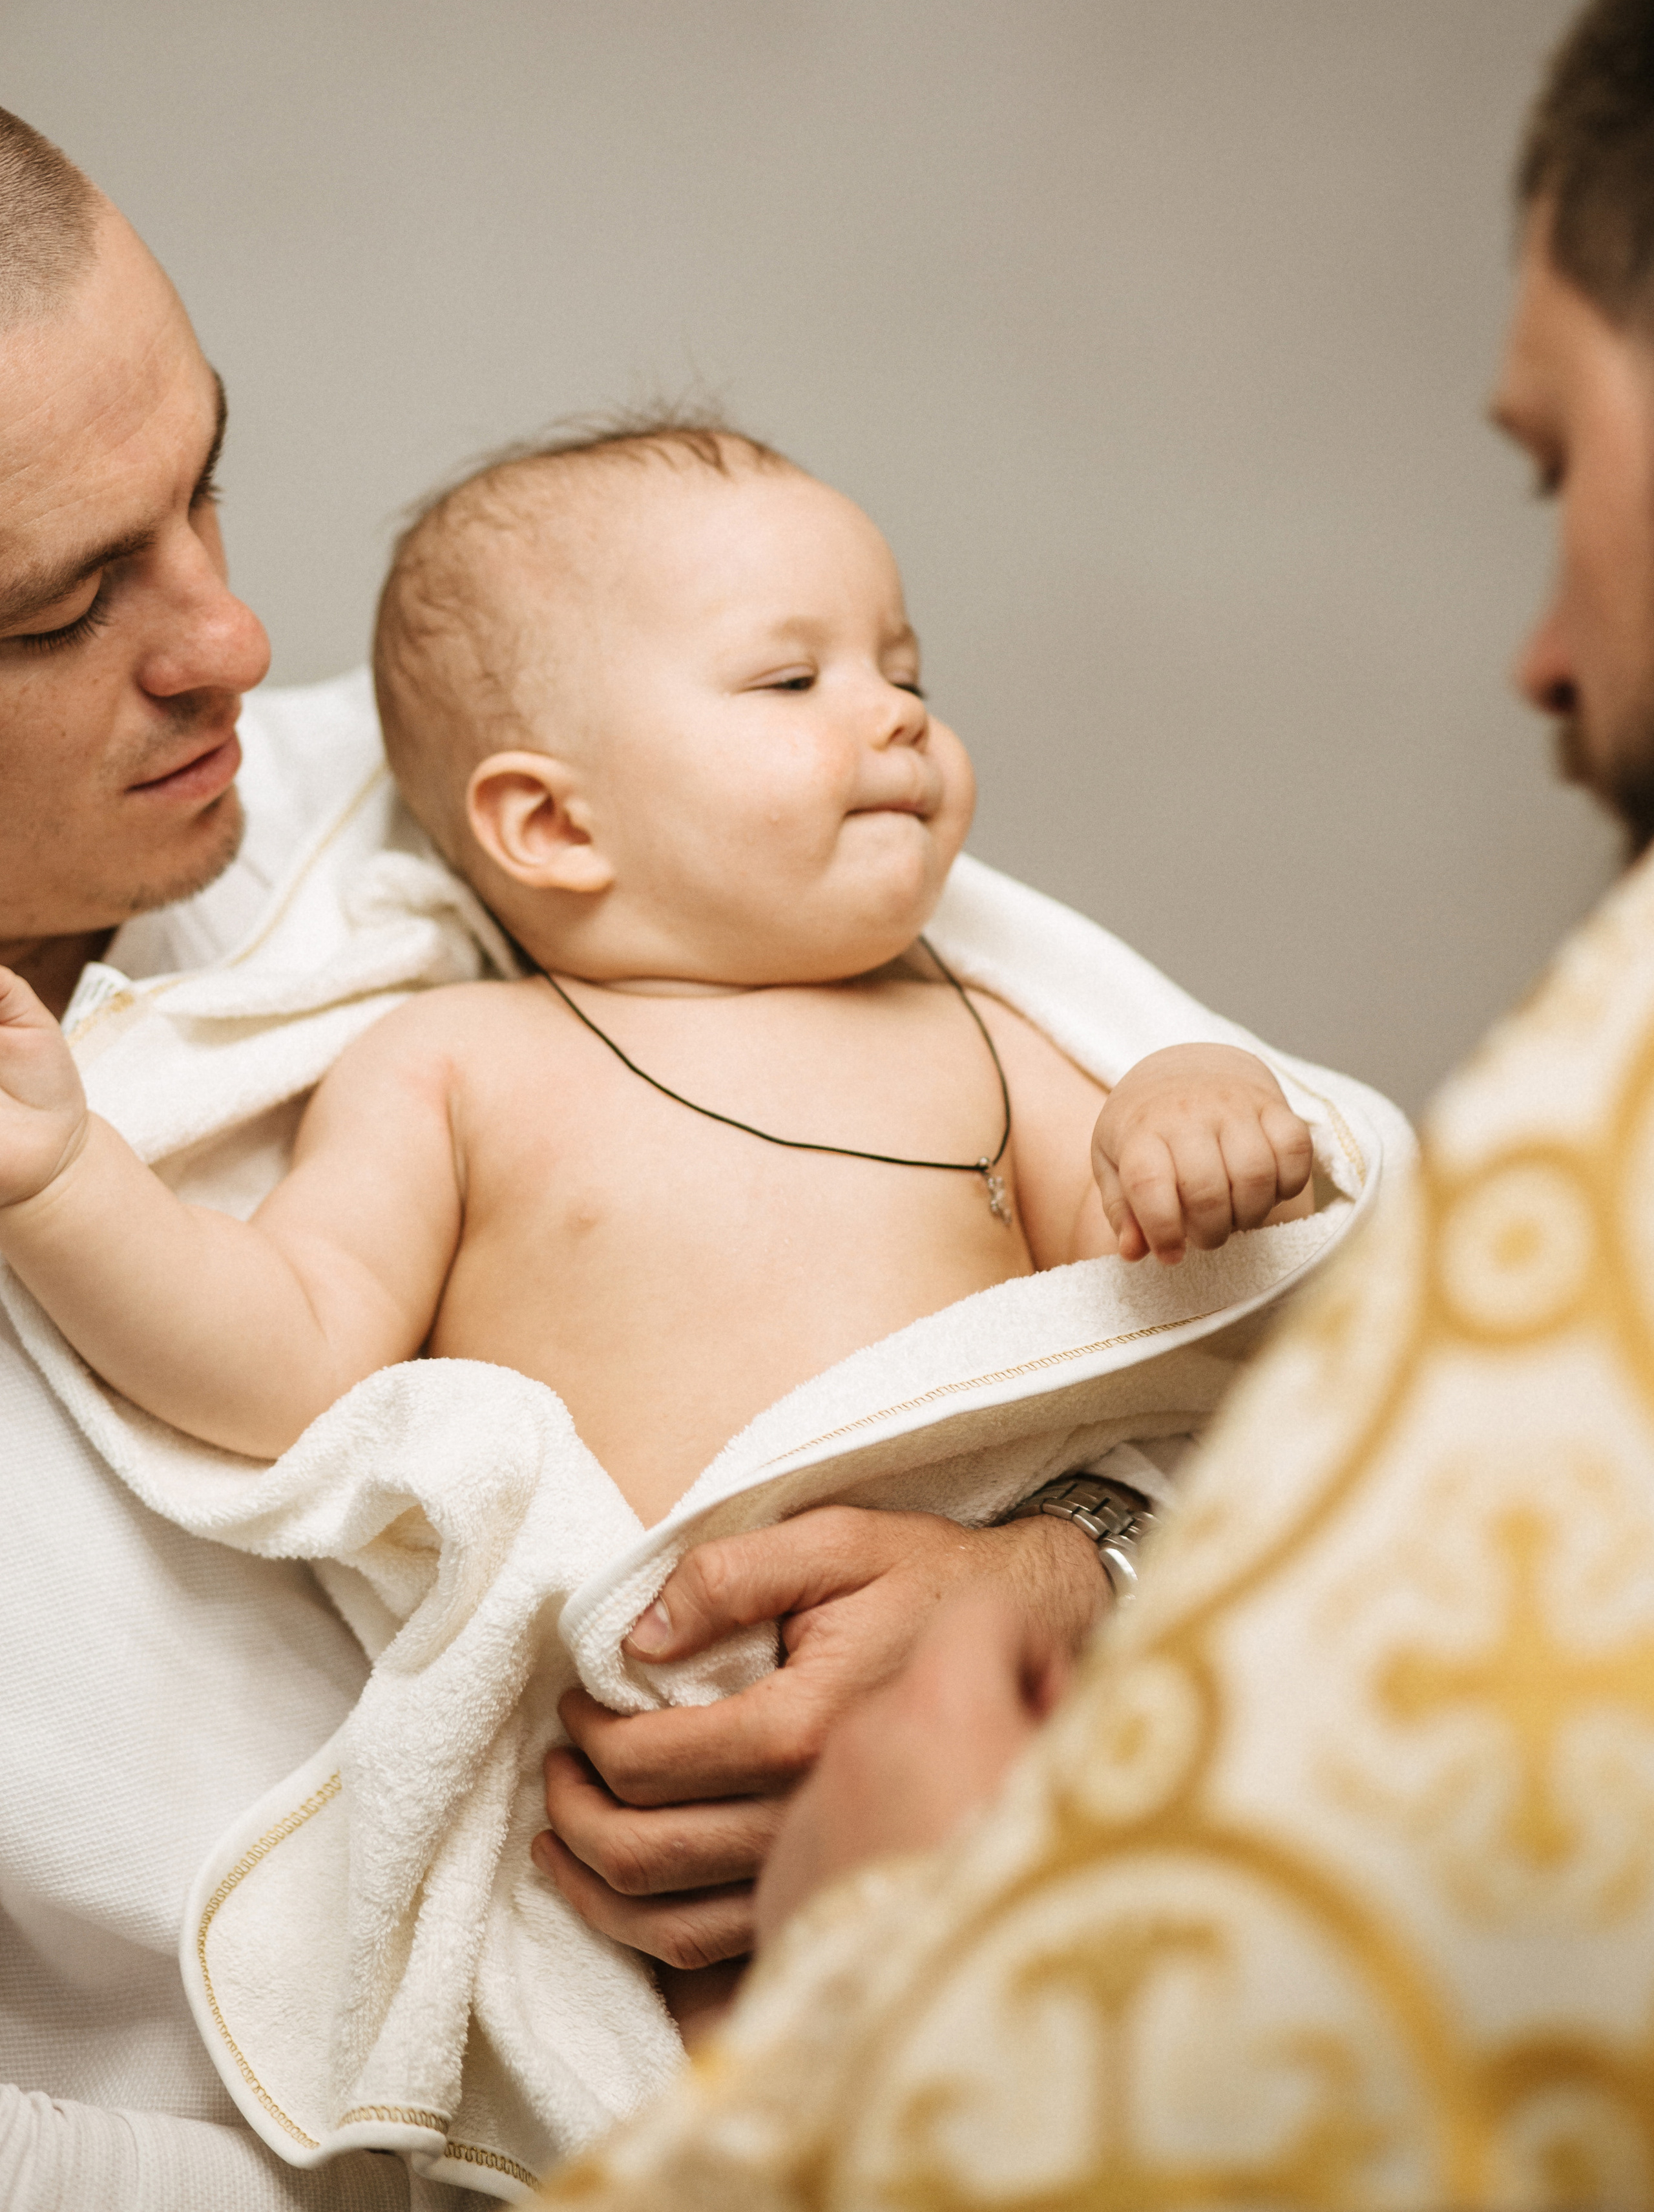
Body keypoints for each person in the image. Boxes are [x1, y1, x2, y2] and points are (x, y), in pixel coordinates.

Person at [0, 111, 1347, 2203]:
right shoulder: (469, 1027)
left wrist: (1072, 1574)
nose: (236, 647)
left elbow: (1313, 1328)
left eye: (207, 488)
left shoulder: (688, 866)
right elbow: (285, 1353)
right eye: (66, 603)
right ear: (546, 823)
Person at [534, 0, 1654, 2211]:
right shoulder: (398, 1040)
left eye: (1565, 467)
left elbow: (1207, 1344)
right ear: (543, 822)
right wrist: (1084, 1582)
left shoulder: (982, 1017)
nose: (1535, 656)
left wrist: (910, 1942)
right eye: (782, 685)